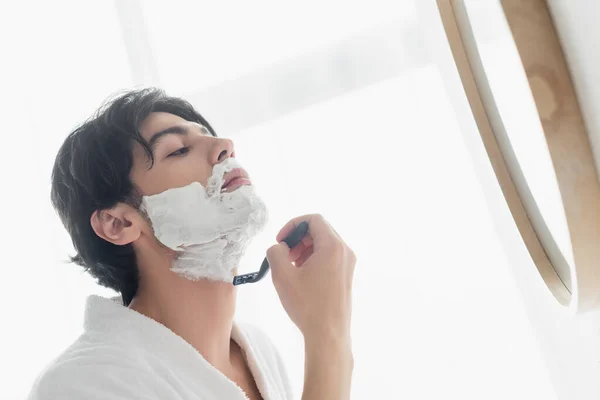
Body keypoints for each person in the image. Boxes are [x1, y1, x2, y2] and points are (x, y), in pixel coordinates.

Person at [27, 88, 356, 400]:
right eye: (178, 150)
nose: (225, 145)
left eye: (207, 134)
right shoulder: (81, 385)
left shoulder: (260, 351)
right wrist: (328, 340)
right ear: (119, 223)